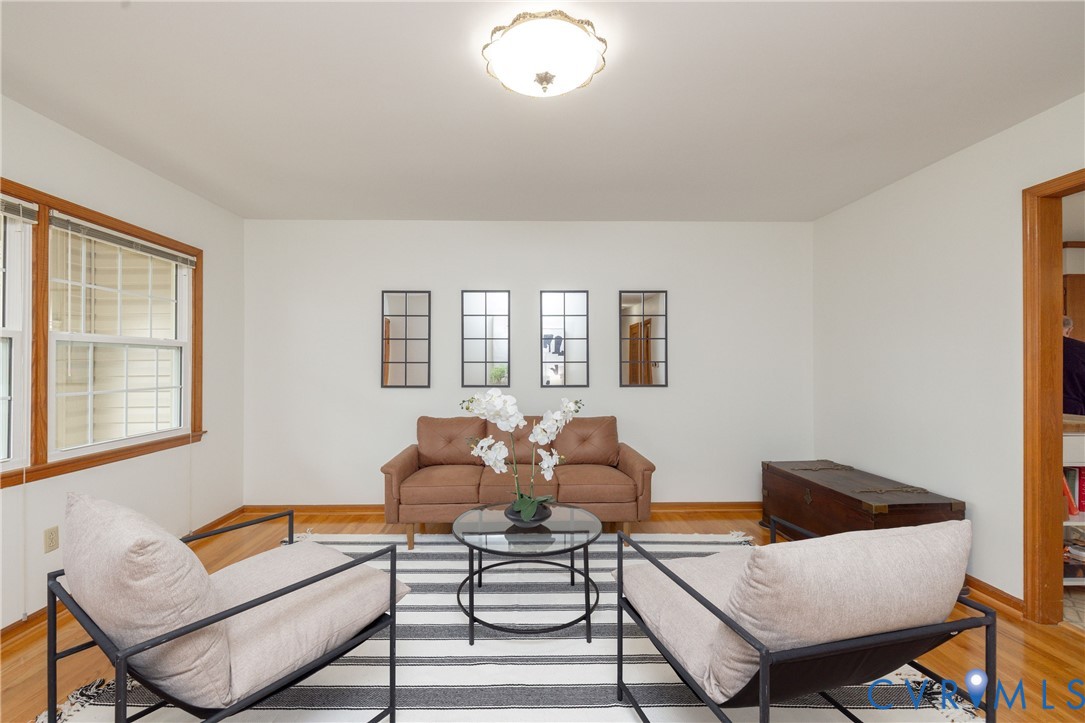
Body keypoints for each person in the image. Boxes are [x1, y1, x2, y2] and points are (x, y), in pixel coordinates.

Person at [1064, 317, 1085, 414]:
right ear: (1069, 330)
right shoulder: (1081, 349)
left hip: (1037, 409)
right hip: (1075, 411)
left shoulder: (1032, 348)